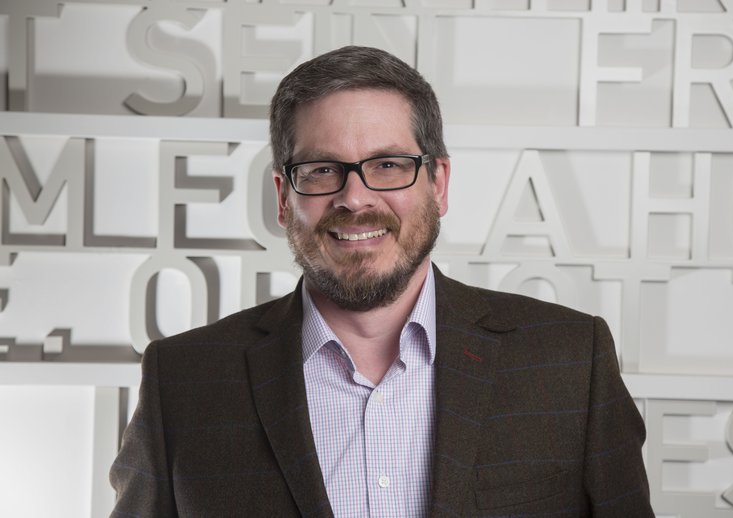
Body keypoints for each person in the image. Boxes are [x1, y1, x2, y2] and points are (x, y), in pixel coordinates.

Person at [110, 46, 655, 517]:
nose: (355, 198)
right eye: (322, 170)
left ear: (438, 183)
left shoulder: (568, 361)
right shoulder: (181, 383)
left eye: (389, 165)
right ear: (283, 197)